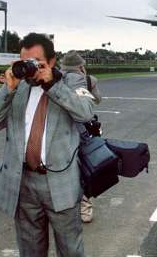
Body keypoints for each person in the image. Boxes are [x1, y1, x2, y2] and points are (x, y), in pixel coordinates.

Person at [0, 33, 94, 257]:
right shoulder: (19, 86)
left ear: (51, 61)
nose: (30, 68)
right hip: (24, 183)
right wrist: (8, 88)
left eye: (36, 62)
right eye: (25, 62)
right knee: (30, 250)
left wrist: (52, 84)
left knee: (70, 249)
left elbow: (86, 113)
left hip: (60, 182)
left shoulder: (70, 82)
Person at [60, 51, 101, 224]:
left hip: (59, 131)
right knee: (85, 168)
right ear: (81, 66)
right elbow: (97, 100)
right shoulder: (88, 80)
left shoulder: (55, 80)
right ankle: (85, 207)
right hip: (82, 131)